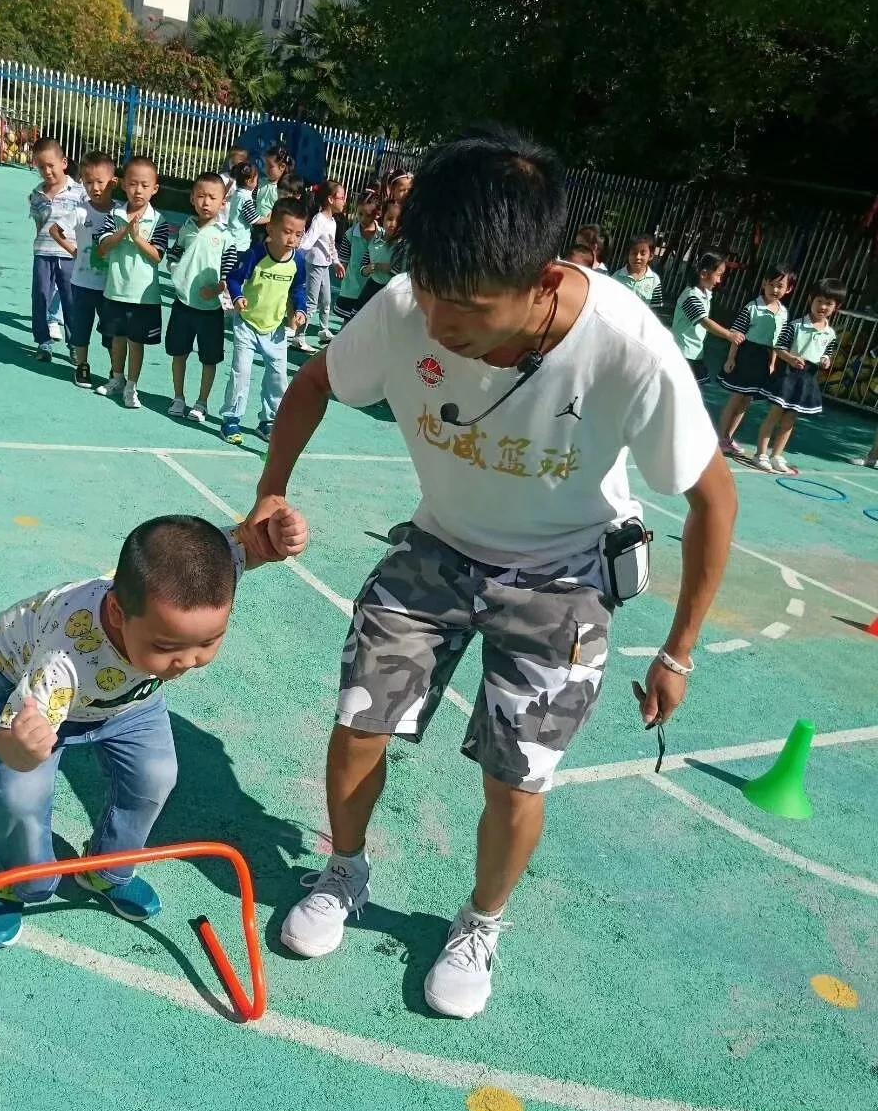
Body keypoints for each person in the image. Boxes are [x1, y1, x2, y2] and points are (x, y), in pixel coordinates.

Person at [242, 127, 738, 1020]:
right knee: (359, 723)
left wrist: (680, 651)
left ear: (544, 281)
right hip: (436, 549)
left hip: (563, 579)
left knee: (518, 776)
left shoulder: (629, 349)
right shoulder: (407, 305)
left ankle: (480, 922)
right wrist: (270, 491)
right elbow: (317, 381)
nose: (440, 326)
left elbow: (713, 499)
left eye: (467, 307)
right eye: (430, 296)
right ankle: (344, 872)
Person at [0, 508, 310, 950]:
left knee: (155, 775)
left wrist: (270, 541)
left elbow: (246, 548)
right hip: (28, 692)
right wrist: (21, 749)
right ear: (117, 612)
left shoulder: (197, 581)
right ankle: (19, 883)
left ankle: (107, 870)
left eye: (208, 641)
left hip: (127, 699)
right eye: (168, 646)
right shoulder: (63, 661)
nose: (188, 661)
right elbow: (9, 747)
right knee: (20, 794)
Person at [220, 198, 308, 445]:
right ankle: (231, 420)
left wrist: (300, 310)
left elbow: (299, 289)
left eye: (298, 234)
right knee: (242, 373)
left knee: (278, 377)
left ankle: (268, 421)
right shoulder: (256, 254)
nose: (292, 239)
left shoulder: (298, 261)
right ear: (271, 228)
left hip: (276, 329)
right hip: (247, 324)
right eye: (287, 232)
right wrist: (237, 297)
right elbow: (234, 278)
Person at [95, 155, 168, 411]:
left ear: (155, 189)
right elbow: (102, 248)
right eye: (133, 183)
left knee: (136, 342)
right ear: (123, 184)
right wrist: (124, 232)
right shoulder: (114, 214)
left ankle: (131, 386)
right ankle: (116, 378)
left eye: (145, 185)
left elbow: (158, 256)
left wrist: (137, 239)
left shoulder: (159, 221)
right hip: (115, 291)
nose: (138, 190)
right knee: (116, 338)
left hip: (143, 298)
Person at [751, 278, 845, 473]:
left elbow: (828, 352)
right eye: (819, 301)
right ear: (810, 299)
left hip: (807, 379)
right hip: (788, 376)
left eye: (829, 303)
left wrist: (826, 360)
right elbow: (779, 347)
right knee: (774, 415)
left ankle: (776, 455)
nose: (823, 307)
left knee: (790, 420)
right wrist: (790, 358)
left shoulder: (831, 334)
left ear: (836, 307)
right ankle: (760, 454)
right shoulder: (795, 326)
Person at [165, 172, 238, 423]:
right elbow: (174, 255)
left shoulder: (226, 235)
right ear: (192, 199)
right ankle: (178, 397)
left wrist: (217, 289)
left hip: (211, 311)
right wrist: (176, 272)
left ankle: (202, 402)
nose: (206, 202)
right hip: (183, 305)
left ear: (223, 202)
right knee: (179, 353)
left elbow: (229, 272)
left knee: (209, 358)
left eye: (212, 197)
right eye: (201, 196)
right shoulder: (187, 228)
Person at [48, 150, 117, 389]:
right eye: (88, 182)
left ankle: (115, 370)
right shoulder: (80, 211)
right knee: (81, 328)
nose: (94, 187)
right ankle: (82, 366)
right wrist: (73, 251)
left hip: (111, 287)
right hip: (83, 283)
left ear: (113, 182)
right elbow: (55, 230)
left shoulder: (119, 213)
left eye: (100, 181)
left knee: (111, 331)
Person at [717, 262, 792, 457]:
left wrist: (773, 363)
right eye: (772, 284)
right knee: (736, 398)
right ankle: (720, 438)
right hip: (746, 355)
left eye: (780, 286)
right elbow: (737, 334)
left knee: (746, 401)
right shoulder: (752, 307)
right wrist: (731, 357)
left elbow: (778, 342)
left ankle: (729, 438)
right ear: (764, 284)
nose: (775, 290)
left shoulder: (783, 312)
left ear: (788, 289)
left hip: (764, 359)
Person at [28, 137, 86, 364]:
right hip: (43, 253)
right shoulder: (36, 195)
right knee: (40, 297)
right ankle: (43, 342)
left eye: (51, 165)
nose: (47, 171)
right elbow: (38, 225)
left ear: (63, 162)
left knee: (71, 300)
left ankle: (75, 344)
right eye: (41, 167)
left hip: (69, 255)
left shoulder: (80, 192)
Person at [669, 250, 744, 385]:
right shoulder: (690, 296)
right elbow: (704, 322)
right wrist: (729, 335)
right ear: (704, 274)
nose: (719, 280)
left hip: (693, 354)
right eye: (718, 275)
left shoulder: (705, 294)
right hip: (683, 353)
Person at [292, 180, 346, 353]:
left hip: (324, 266)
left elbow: (330, 245)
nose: (344, 201)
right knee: (311, 303)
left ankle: (323, 330)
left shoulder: (332, 222)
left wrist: (336, 262)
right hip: (314, 265)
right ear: (330, 199)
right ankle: (299, 337)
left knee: (327, 300)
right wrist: (294, 247)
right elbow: (307, 241)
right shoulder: (319, 219)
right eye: (342, 197)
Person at [335, 191, 382, 320]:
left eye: (367, 215)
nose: (362, 219)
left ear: (377, 214)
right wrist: (341, 268)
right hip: (351, 288)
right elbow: (343, 259)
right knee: (347, 324)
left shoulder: (383, 236)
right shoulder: (350, 234)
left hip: (372, 289)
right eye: (360, 214)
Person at [356, 197, 402, 310]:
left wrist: (387, 268)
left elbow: (404, 271)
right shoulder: (374, 240)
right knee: (358, 317)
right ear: (383, 218)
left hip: (391, 292)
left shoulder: (403, 245)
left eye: (398, 220)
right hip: (371, 287)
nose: (393, 224)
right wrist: (366, 269)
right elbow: (364, 263)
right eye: (390, 219)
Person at [612, 234, 663, 311]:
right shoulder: (616, 277)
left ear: (651, 256)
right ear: (628, 254)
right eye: (634, 253)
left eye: (643, 253)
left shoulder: (654, 280)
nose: (638, 257)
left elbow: (656, 308)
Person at [226, 160, 259, 265]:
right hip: (239, 243)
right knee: (235, 269)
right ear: (249, 181)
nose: (257, 183)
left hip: (231, 238)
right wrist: (270, 218)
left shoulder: (237, 193)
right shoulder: (245, 198)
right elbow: (254, 220)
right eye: (256, 180)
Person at [254, 145, 292, 233]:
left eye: (270, 166)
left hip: (271, 228)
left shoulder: (283, 189)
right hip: (255, 222)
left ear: (282, 167)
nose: (266, 169)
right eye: (266, 165)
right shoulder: (261, 182)